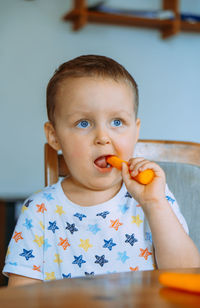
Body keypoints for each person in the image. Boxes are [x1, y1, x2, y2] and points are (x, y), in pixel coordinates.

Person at [3, 55, 200, 287]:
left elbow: (188, 275)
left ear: (135, 132)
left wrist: (155, 205)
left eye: (117, 122)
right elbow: (20, 297)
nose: (103, 138)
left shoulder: (154, 198)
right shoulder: (39, 210)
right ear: (54, 136)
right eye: (84, 123)